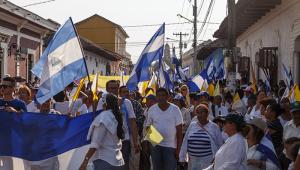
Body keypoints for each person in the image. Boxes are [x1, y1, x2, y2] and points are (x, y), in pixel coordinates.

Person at [97, 80, 139, 170]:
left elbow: (132, 122)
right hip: (107, 143)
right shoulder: (102, 102)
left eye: (115, 88)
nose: (113, 90)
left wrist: (135, 142)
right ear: (107, 89)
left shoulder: (127, 102)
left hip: (124, 141)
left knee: (124, 166)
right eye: (111, 88)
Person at [79, 93, 125, 170]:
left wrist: (85, 161)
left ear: (104, 104)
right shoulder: (118, 116)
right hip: (119, 161)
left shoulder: (103, 118)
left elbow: (95, 143)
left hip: (104, 161)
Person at [145, 88, 183, 170]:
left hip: (171, 147)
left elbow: (179, 131)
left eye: (163, 95)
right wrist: (152, 143)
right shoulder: (152, 109)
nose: (161, 97)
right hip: (155, 146)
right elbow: (148, 127)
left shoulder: (175, 109)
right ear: (156, 97)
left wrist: (178, 149)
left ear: (168, 97)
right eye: (158, 95)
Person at [179, 104, 223, 170]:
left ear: (207, 113)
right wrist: (182, 158)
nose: (199, 115)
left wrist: (218, 159)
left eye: (201, 112)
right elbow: (185, 142)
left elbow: (220, 144)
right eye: (198, 113)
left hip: (207, 160)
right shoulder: (192, 125)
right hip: (192, 160)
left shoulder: (214, 127)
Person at [23, 99, 60, 170]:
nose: (45, 103)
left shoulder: (56, 115)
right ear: (39, 102)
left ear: (51, 102)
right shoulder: (32, 115)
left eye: (47, 101)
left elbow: (63, 129)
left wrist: (68, 119)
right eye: (43, 100)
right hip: (34, 156)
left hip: (49, 156)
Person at [140, 94, 156, 170]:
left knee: (153, 156)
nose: (146, 102)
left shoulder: (156, 109)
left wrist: (146, 139)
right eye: (146, 100)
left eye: (149, 100)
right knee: (146, 156)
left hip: (153, 134)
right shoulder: (146, 110)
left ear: (153, 101)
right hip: (145, 134)